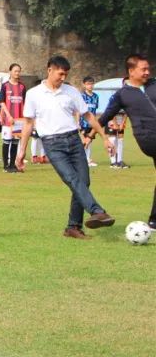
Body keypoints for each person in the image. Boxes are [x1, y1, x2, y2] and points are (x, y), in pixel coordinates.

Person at [16, 56, 115, 239]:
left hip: (74, 140)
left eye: (66, 75)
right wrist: (21, 151)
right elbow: (28, 123)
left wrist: (104, 137)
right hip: (52, 144)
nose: (63, 78)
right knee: (72, 179)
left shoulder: (71, 91)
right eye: (60, 74)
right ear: (50, 70)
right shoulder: (34, 94)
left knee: (83, 182)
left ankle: (73, 227)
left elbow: (88, 116)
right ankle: (97, 211)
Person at [96, 53, 155, 228]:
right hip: (148, 137)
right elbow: (106, 116)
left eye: (148, 69)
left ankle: (154, 221)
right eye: (143, 69)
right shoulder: (122, 94)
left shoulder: (154, 84)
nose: (147, 72)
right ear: (131, 71)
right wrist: (89, 135)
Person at [0, 63, 26, 173]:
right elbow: (2, 102)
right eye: (15, 71)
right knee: (7, 142)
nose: (17, 73)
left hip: (18, 120)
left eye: (19, 71)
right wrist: (6, 115)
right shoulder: (5, 86)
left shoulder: (22, 86)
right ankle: (5, 166)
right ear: (10, 72)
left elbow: (24, 103)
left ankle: (12, 165)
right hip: (8, 119)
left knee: (15, 142)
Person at [79, 76, 100, 167]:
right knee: (83, 141)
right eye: (88, 84)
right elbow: (78, 111)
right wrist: (78, 123)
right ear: (84, 85)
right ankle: (84, 159)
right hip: (83, 122)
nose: (90, 86)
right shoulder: (82, 96)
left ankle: (87, 158)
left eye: (91, 84)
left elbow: (95, 110)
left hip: (92, 123)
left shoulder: (96, 96)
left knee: (89, 141)